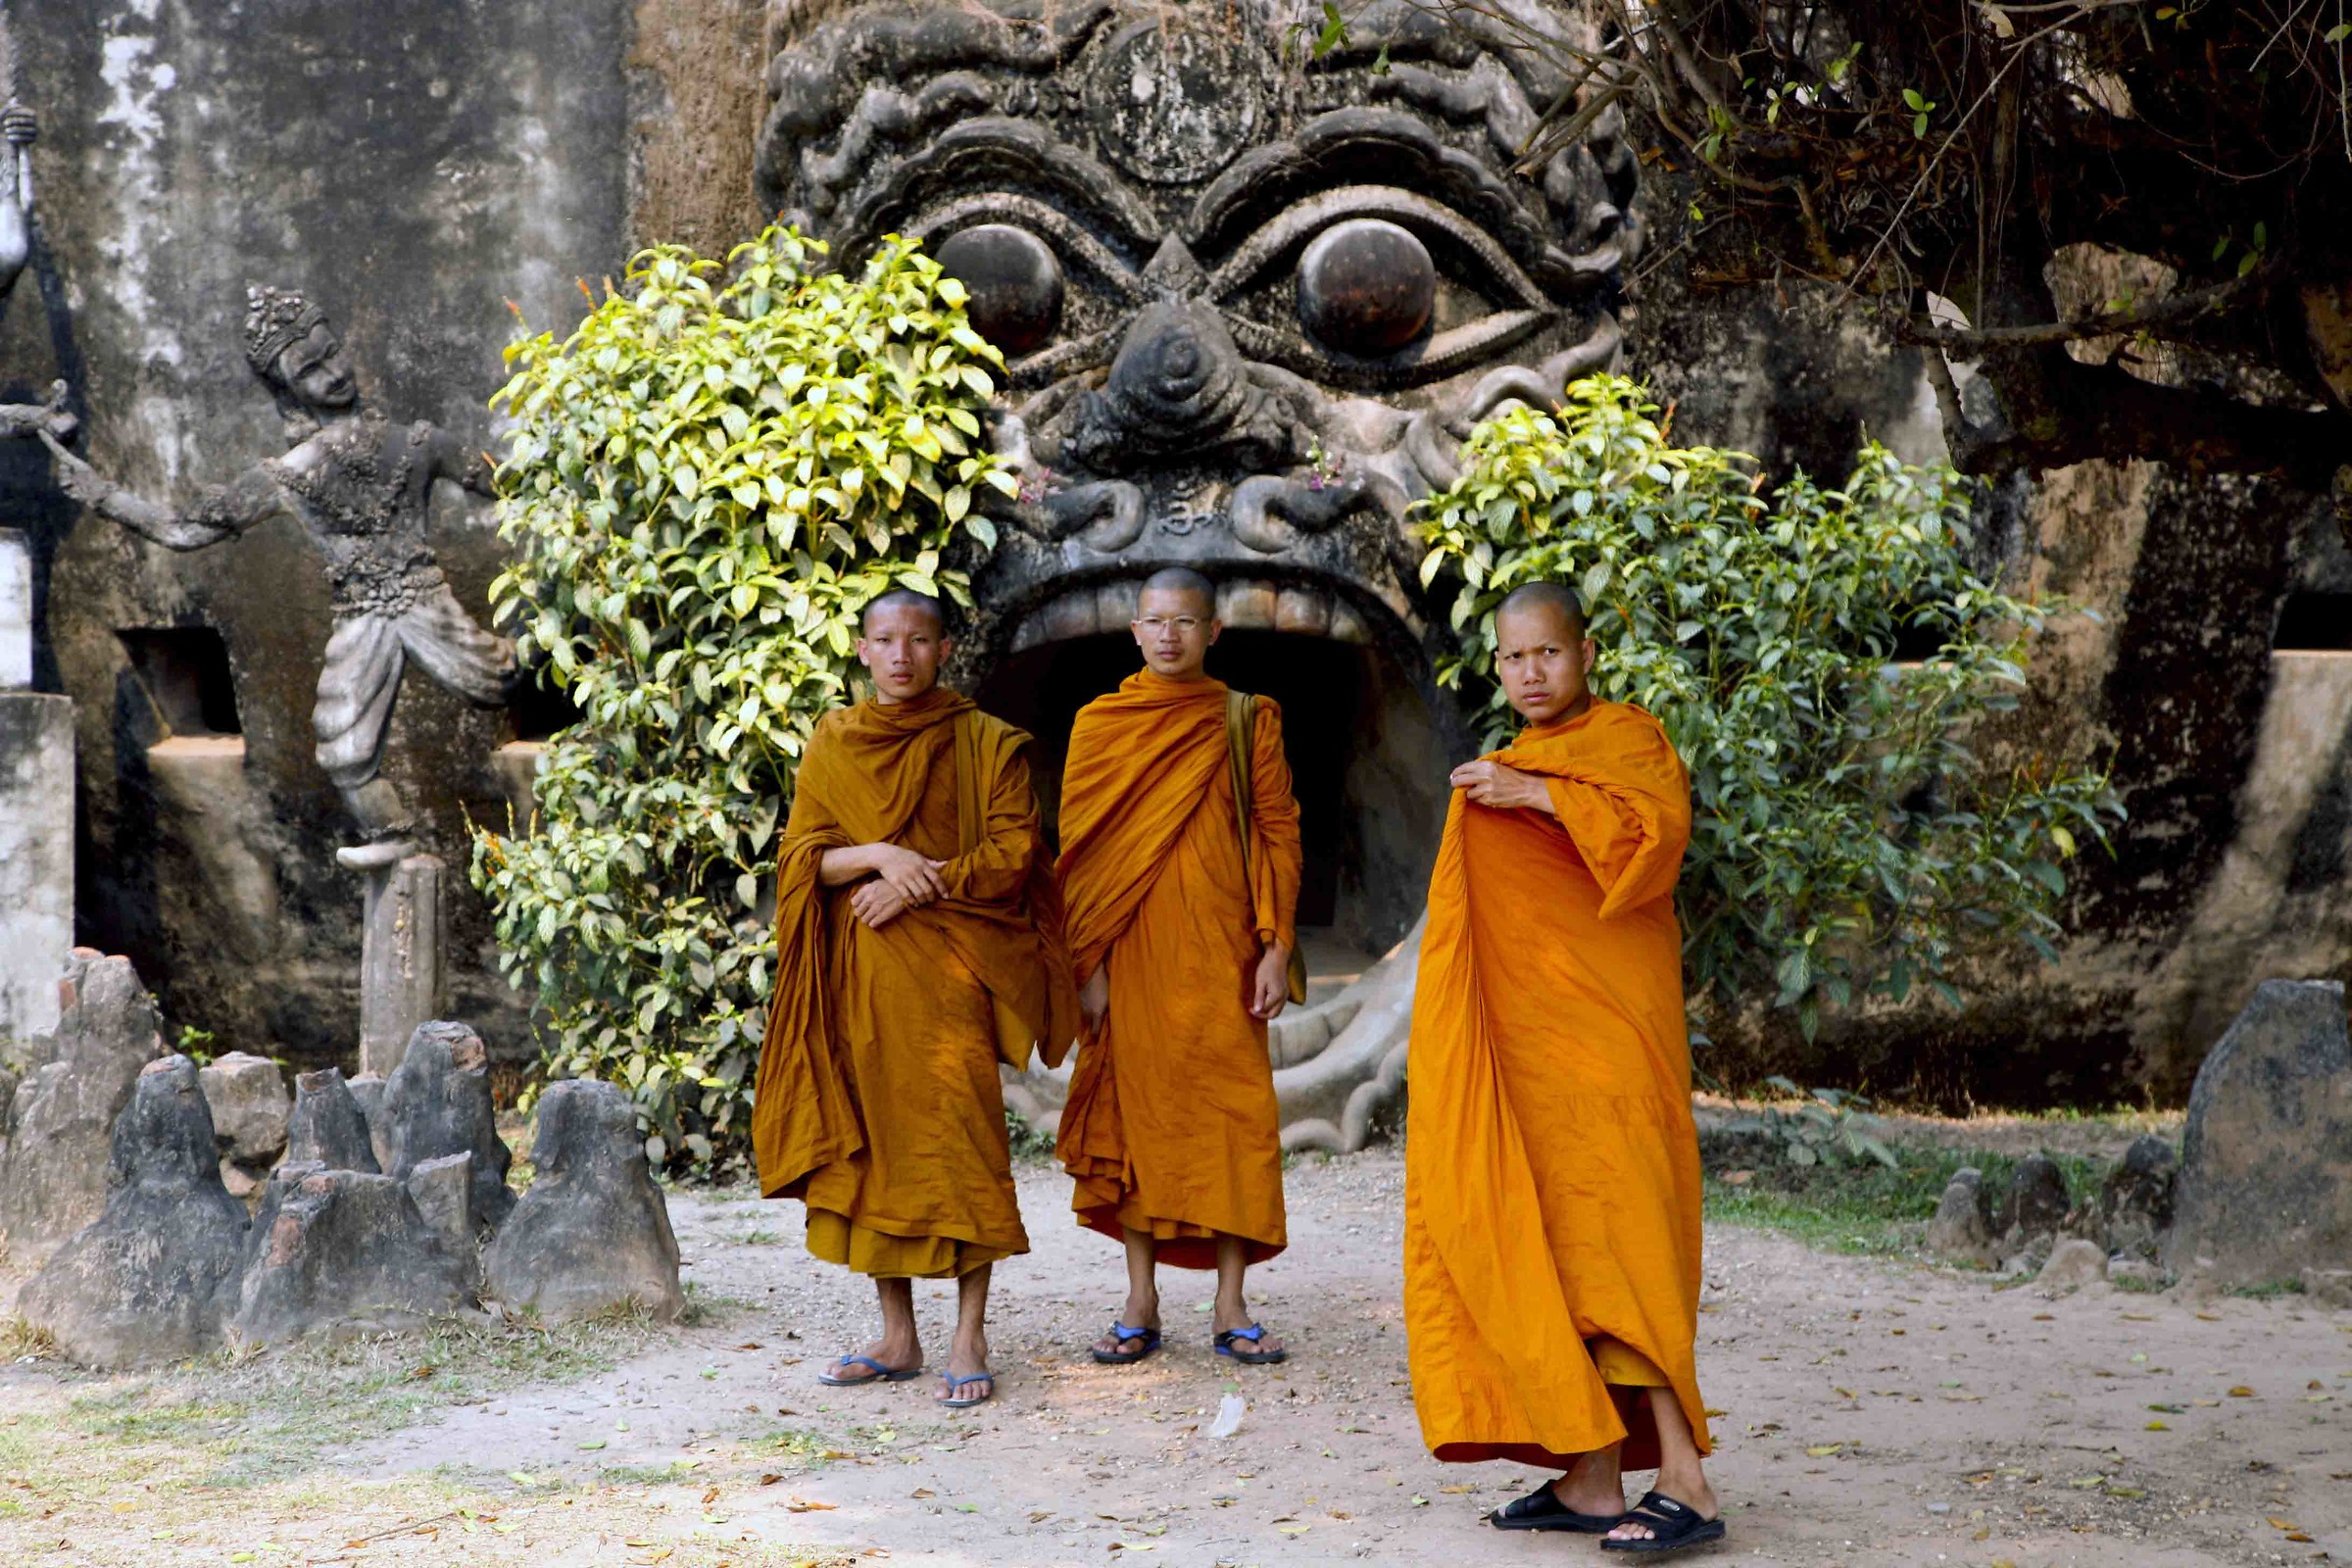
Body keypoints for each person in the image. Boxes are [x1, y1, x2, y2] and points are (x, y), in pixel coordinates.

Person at [1402, 581, 1726, 1556]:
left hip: (1614, 1049)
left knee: (1623, 1240)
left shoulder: (1626, 742)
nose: (1532, 673)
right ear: (1497, 667)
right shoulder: (1499, 769)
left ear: (1585, 652)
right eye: (1514, 658)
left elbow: (1655, 840)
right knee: (1552, 1239)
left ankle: (1686, 1479)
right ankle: (1591, 1475)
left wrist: (1541, 796)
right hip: (1533, 1060)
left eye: (1548, 653)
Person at [44, 285, 513, 867]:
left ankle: (577, 631)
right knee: (343, 746)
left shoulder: (420, 444)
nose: (331, 374)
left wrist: (587, 454)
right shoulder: (287, 476)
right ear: (286, 387)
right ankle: (393, 835)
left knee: (501, 680)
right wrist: (102, 494)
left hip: (423, 598)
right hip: (361, 616)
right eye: (310, 369)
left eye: (331, 353)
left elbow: (511, 483)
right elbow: (183, 531)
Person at [753, 588, 1076, 1410]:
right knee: (875, 1151)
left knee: (960, 1145)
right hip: (859, 980)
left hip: (951, 975)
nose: (901, 656)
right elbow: (803, 863)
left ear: (944, 650)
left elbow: (1013, 854)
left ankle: (969, 1333)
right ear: (862, 650)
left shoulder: (984, 741)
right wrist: (878, 856)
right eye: (886, 640)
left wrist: (920, 886)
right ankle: (897, 1334)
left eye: (919, 640)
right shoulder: (835, 740)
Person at [1054, 565, 1301, 1367]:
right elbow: (1081, 857)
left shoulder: (1246, 719)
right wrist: (1085, 968)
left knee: (1234, 1123)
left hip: (1225, 958)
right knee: (1135, 1126)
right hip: (1132, 959)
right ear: (1134, 631)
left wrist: (1277, 946)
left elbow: (1276, 833)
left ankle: (1232, 1304)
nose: (1169, 636)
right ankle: (1140, 1299)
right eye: (1155, 622)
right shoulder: (1101, 725)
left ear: (1212, 632)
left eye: (1185, 623)